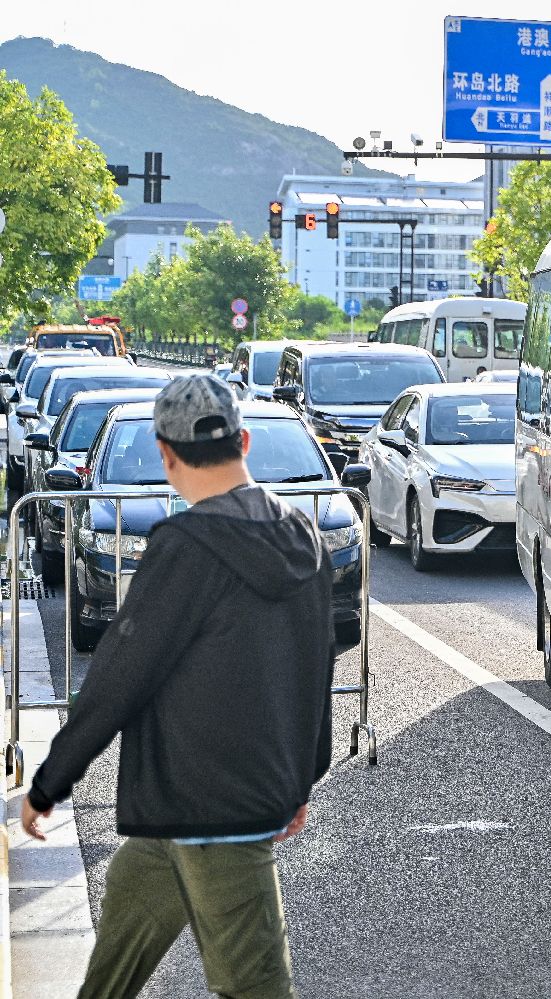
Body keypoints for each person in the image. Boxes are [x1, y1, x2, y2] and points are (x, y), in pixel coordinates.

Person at [20, 374, 336, 999]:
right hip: (194, 806)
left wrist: (51, 781)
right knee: (112, 970)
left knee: (259, 989)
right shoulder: (303, 536)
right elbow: (315, 667)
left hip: (212, 806)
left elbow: (120, 674)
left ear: (166, 455)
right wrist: (303, 777)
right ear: (244, 441)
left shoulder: (184, 546)